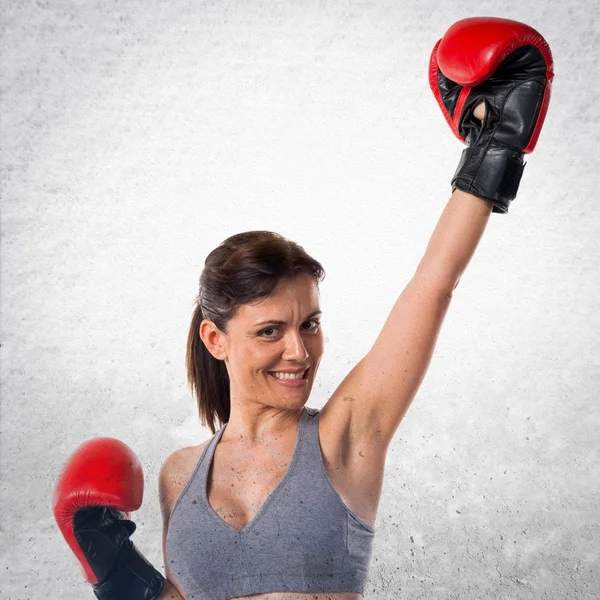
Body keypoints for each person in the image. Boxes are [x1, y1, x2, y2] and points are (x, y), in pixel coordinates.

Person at [53, 16, 553, 600]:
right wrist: (116, 574)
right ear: (217, 340)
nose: (300, 350)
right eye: (271, 331)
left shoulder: (344, 436)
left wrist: (493, 151)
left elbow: (432, 284)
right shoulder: (179, 476)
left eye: (310, 324)